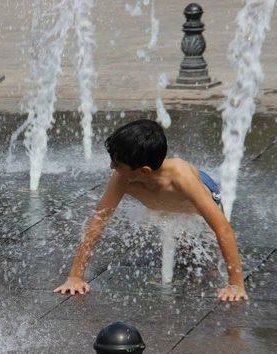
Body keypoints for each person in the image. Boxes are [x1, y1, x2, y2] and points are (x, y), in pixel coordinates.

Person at [53, 119, 248, 302]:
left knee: (208, 261)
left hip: (201, 193)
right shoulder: (122, 178)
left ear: (144, 171)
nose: (111, 166)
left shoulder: (181, 179)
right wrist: (75, 276)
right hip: (165, 201)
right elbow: (98, 221)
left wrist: (236, 284)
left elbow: (223, 228)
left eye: (117, 164)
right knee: (180, 246)